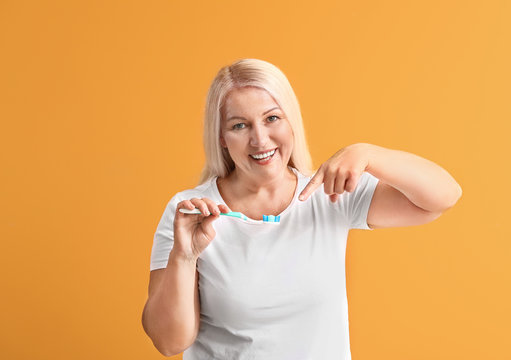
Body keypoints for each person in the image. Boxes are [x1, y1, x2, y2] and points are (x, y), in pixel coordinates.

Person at [141, 58, 462, 359]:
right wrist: (184, 256)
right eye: (240, 126)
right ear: (222, 137)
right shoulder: (189, 213)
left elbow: (443, 196)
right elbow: (170, 342)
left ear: (291, 120)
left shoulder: (330, 194)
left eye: (272, 118)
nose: (260, 139)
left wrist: (367, 153)